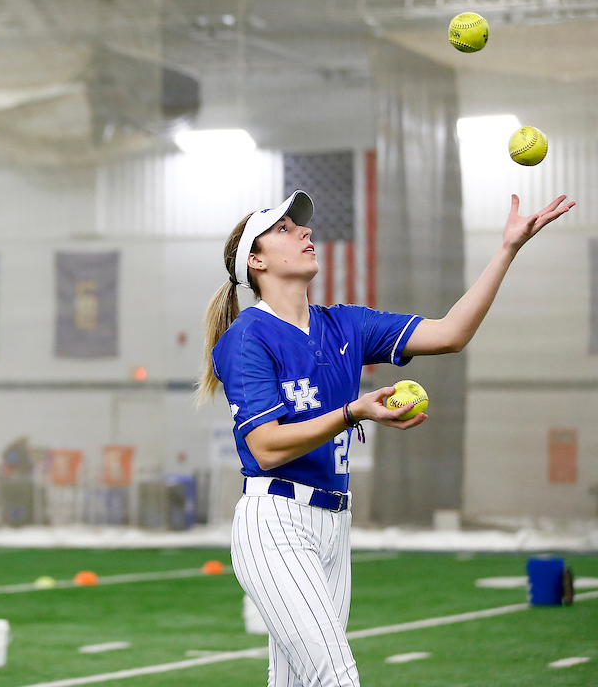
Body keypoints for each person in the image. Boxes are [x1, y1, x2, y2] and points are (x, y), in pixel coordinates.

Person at [199, 188, 572, 687]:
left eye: (302, 225)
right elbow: (266, 448)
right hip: (275, 526)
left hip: (333, 523)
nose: (306, 231)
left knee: (296, 683)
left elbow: (451, 334)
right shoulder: (247, 337)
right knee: (337, 676)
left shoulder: (345, 323)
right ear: (257, 261)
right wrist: (355, 411)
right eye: (284, 229)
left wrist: (507, 249)